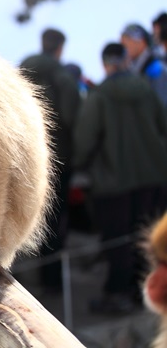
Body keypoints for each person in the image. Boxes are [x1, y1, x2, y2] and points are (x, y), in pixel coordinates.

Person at [73, 42, 167, 314]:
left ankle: (118, 294)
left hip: (114, 184)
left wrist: (80, 167)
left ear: (105, 64)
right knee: (148, 238)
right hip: (153, 176)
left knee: (119, 240)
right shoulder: (146, 90)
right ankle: (148, 294)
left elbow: (84, 140)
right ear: (125, 61)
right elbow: (163, 125)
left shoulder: (99, 97)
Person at [19, 27, 81, 291]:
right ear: (59, 48)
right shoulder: (63, 76)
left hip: (29, 154)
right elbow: (72, 116)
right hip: (59, 157)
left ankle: (32, 274)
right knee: (57, 218)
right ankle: (52, 281)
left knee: (34, 211)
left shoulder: (23, 69)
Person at [120, 23, 167, 107]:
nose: (123, 47)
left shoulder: (156, 67)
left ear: (141, 41)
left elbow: (162, 104)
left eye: (126, 41)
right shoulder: (131, 69)